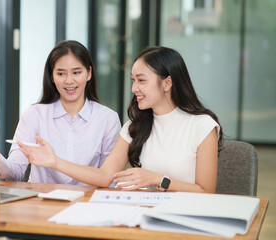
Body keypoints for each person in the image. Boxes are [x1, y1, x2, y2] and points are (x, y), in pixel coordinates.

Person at [18, 46, 224, 193]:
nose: (134, 88)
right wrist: (55, 162)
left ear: (167, 83)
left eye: (142, 81)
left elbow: (205, 191)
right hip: (143, 216)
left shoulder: (203, 126)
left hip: (184, 219)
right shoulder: (135, 127)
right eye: (134, 80)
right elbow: (105, 176)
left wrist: (157, 179)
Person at [0, 40, 121, 185]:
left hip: (87, 204)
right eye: (61, 73)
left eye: (76, 72)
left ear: (89, 73)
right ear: (52, 77)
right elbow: (16, 172)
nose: (69, 81)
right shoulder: (34, 115)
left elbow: (108, 178)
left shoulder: (108, 119)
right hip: (41, 203)